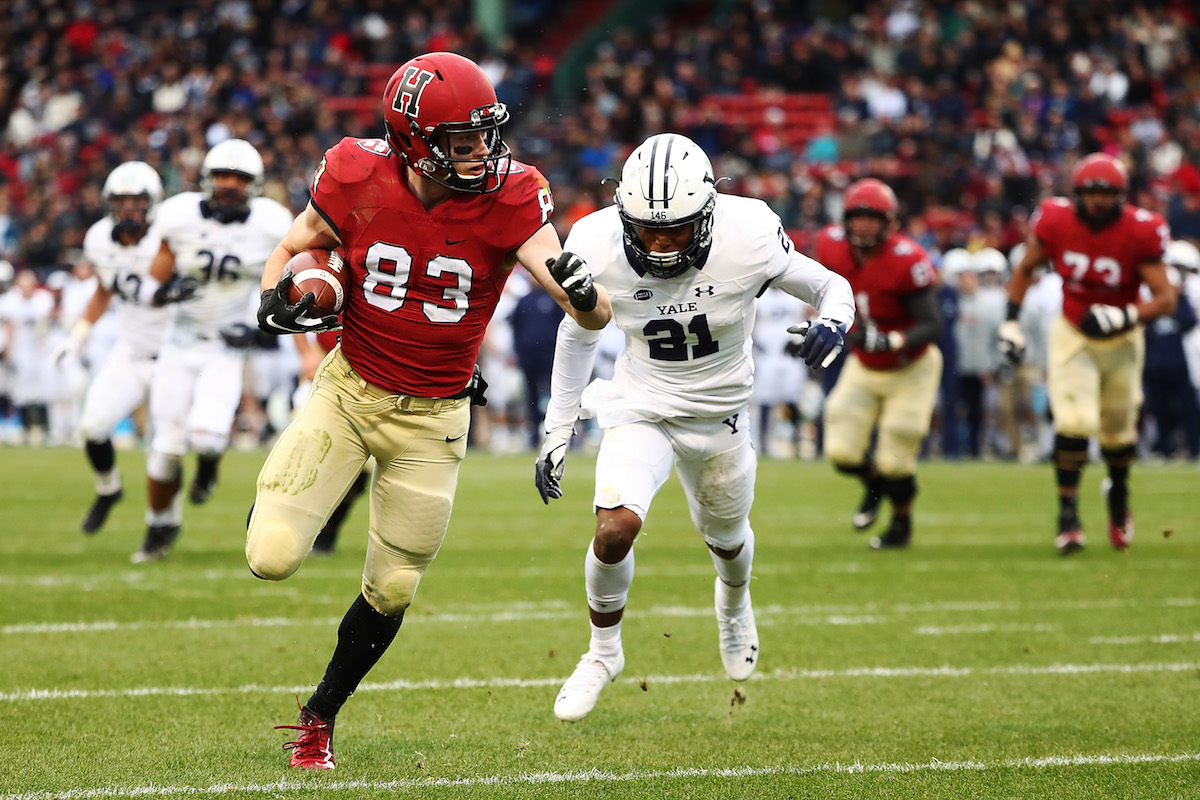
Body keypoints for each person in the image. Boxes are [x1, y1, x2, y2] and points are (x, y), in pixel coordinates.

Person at [245, 52, 612, 770]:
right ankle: (277, 499)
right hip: (349, 392)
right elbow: (293, 250)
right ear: (413, 138)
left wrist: (586, 295)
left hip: (434, 418)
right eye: (462, 140)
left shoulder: (514, 195)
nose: (481, 151)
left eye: (486, 134)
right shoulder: (354, 172)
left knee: (395, 584)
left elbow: (588, 315)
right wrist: (277, 302)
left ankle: (319, 716)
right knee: (272, 558)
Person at [535, 132, 854, 722]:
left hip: (721, 412)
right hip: (642, 404)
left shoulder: (749, 233)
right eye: (647, 228)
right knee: (613, 527)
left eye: (675, 229)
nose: (658, 243)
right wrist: (557, 430)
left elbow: (831, 286)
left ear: (706, 214)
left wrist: (834, 323)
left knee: (727, 543)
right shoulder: (594, 241)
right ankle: (603, 653)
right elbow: (579, 333)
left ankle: (734, 605)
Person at [1000, 153, 1176, 555]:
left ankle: (1118, 494)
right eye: (1089, 193)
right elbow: (1027, 268)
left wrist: (1124, 314)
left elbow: (1165, 300)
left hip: (1123, 339)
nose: (1096, 201)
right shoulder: (1056, 221)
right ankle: (1068, 515)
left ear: (1121, 196)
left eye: (1105, 193)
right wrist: (1010, 320)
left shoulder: (1140, 230)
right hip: (1073, 331)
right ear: (1076, 193)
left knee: (1118, 431)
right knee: (1074, 422)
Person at [136, 138, 294, 562]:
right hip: (179, 343)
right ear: (207, 178)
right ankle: (160, 525)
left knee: (206, 440)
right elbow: (149, 288)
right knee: (167, 449)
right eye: (223, 175)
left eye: (239, 178)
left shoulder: (272, 223)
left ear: (254, 184)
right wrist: (168, 293)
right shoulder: (179, 216)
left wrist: (259, 331)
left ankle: (207, 468)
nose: (229, 184)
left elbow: (290, 283)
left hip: (225, 348)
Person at [817, 178, 944, 550]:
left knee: (896, 456)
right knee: (841, 452)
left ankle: (901, 524)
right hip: (866, 363)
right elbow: (820, 291)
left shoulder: (907, 259)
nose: (864, 226)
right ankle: (873, 485)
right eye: (858, 218)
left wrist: (892, 339)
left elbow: (933, 324)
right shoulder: (831, 246)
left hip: (911, 365)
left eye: (872, 219)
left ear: (889, 222)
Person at [51, 161, 170, 534]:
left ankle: (162, 524)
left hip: (175, 355)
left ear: (153, 203)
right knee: (92, 427)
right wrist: (79, 333)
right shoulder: (99, 238)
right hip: (131, 351)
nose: (129, 209)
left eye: (137, 201)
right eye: (122, 201)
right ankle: (109, 489)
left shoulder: (171, 236)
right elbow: (105, 289)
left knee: (167, 450)